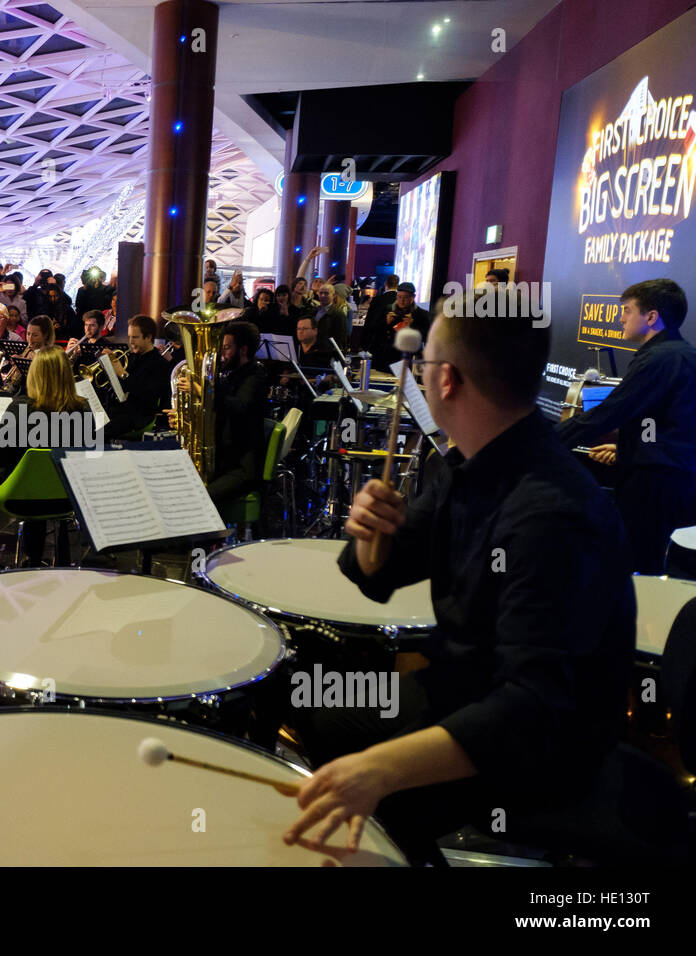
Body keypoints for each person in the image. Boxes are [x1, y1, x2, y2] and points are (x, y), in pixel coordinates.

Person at [283, 301, 634, 865]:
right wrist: (372, 531)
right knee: (306, 690)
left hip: (532, 751)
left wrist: (379, 770)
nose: (420, 371)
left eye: (425, 361)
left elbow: (533, 708)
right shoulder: (470, 465)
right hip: (456, 691)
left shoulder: (552, 515)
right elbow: (381, 573)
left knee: (373, 793)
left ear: (445, 379)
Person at [556, 279, 696, 573]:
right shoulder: (686, 356)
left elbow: (608, 414)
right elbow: (672, 426)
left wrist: (542, 442)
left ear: (651, 317)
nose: (620, 318)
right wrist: (626, 448)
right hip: (677, 480)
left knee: (636, 562)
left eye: (627, 310)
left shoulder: (658, 359)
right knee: (650, 559)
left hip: (654, 486)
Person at [0, 347, 95, 565]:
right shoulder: (83, 408)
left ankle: (31, 559)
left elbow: (0, 458)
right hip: (69, 499)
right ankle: (63, 559)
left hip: (22, 499)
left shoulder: (19, 408)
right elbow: (88, 456)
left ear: (34, 374)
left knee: (13, 479)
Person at [204, 321, 270, 505]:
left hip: (242, 468)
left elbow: (239, 407)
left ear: (243, 350)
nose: (221, 354)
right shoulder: (228, 375)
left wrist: (205, 392)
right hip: (224, 462)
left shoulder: (256, 375)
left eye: (226, 348)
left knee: (202, 499)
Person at [102, 315, 168, 440]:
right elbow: (121, 388)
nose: (131, 342)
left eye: (135, 337)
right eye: (130, 337)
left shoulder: (159, 364)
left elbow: (145, 395)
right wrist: (110, 368)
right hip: (122, 411)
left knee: (99, 432)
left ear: (148, 337)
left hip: (139, 417)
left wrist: (122, 373)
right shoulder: (132, 357)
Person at [371, 282, 430, 372]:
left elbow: (426, 338)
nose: (402, 301)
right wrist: (385, 322)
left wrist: (412, 327)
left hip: (407, 359)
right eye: (399, 297)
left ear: (413, 297)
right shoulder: (387, 310)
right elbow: (373, 330)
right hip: (385, 359)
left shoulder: (422, 314)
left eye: (405, 297)